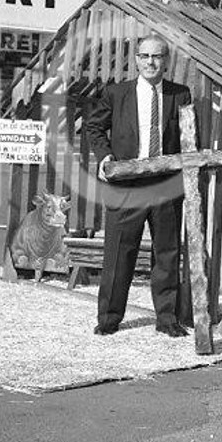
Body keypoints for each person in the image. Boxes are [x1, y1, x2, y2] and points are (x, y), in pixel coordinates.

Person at [85, 33, 193, 338]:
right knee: (119, 253)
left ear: (166, 61)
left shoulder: (180, 94)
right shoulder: (116, 93)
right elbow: (94, 126)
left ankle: (167, 319)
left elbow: (188, 136)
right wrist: (105, 157)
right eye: (145, 56)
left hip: (165, 185)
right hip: (126, 184)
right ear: (136, 60)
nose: (150, 62)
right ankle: (109, 319)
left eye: (157, 56)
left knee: (167, 254)